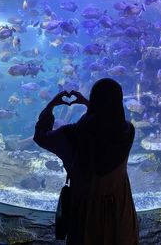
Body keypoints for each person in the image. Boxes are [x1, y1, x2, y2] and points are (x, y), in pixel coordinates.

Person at [33, 78, 139, 245]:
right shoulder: (127, 131)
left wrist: (50, 106)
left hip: (86, 210)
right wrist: (89, 104)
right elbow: (106, 121)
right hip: (120, 208)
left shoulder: (72, 135)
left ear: (94, 100)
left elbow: (41, 136)